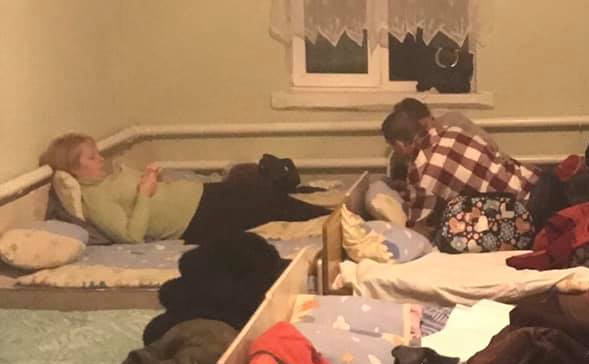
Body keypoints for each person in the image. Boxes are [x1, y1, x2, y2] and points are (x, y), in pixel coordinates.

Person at [39, 133, 330, 245]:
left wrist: (150, 178)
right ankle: (331, 217)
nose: (100, 160)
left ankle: (328, 211)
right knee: (263, 201)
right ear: (73, 168)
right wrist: (145, 192)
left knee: (257, 188)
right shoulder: (95, 199)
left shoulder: (106, 180)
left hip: (200, 196)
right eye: (92, 158)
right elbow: (131, 236)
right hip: (193, 220)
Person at [381, 108, 543, 228]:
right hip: (537, 179)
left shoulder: (424, 173)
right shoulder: (453, 131)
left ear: (400, 144)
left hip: (527, 209)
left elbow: (419, 224)